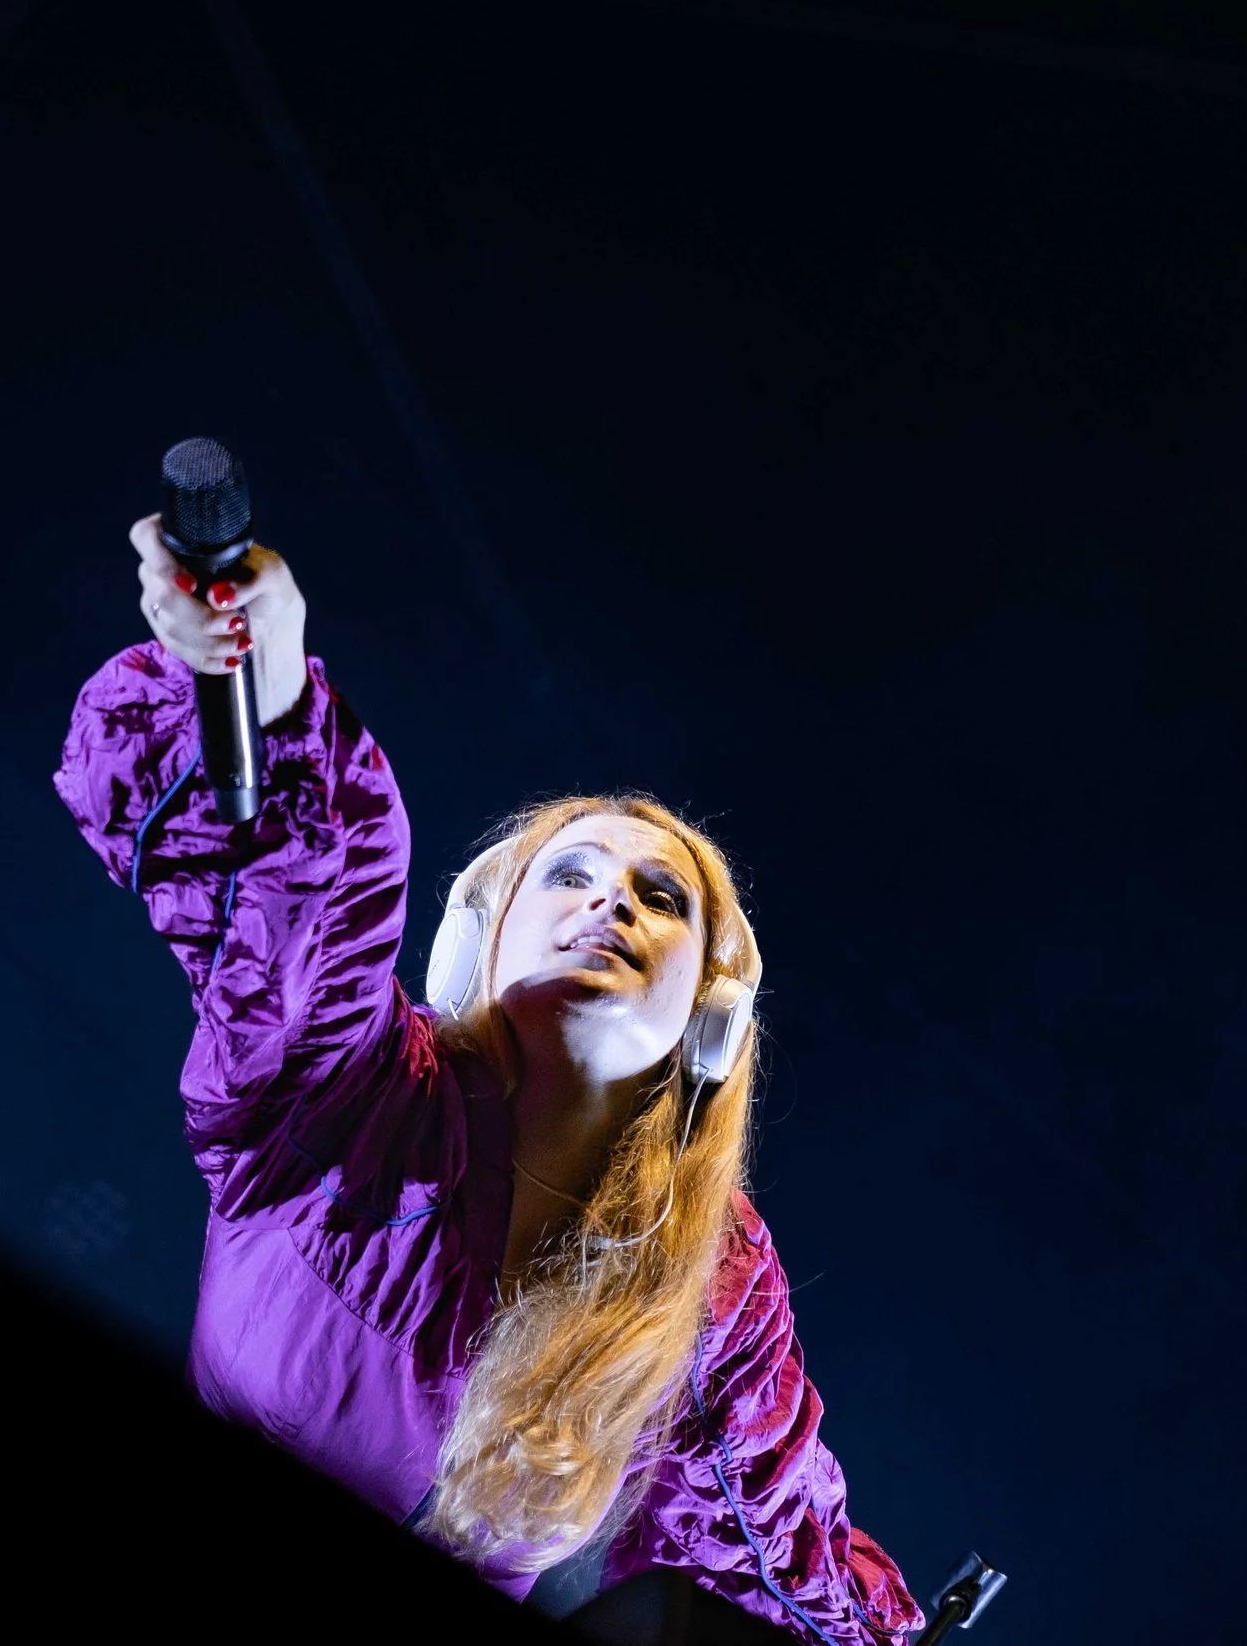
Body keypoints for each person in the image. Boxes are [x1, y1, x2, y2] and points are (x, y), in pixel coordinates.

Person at [52, 515, 923, 1644]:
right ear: (483, 940)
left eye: (662, 897)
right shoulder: (344, 1087)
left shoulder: (708, 1286)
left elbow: (779, 1535)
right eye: (568, 873)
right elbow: (301, 878)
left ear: (710, 1013)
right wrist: (264, 686)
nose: (610, 902)